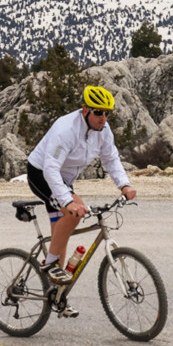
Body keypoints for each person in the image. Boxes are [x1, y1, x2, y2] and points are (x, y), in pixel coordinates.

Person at [26, 85, 136, 316]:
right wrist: (67, 202)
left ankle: (56, 297)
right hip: (41, 173)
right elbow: (51, 169)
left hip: (63, 179)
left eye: (108, 113)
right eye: (98, 112)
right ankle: (49, 264)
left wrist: (124, 185)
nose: (103, 118)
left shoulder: (104, 131)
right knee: (75, 213)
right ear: (85, 110)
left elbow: (112, 159)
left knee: (61, 233)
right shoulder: (65, 129)